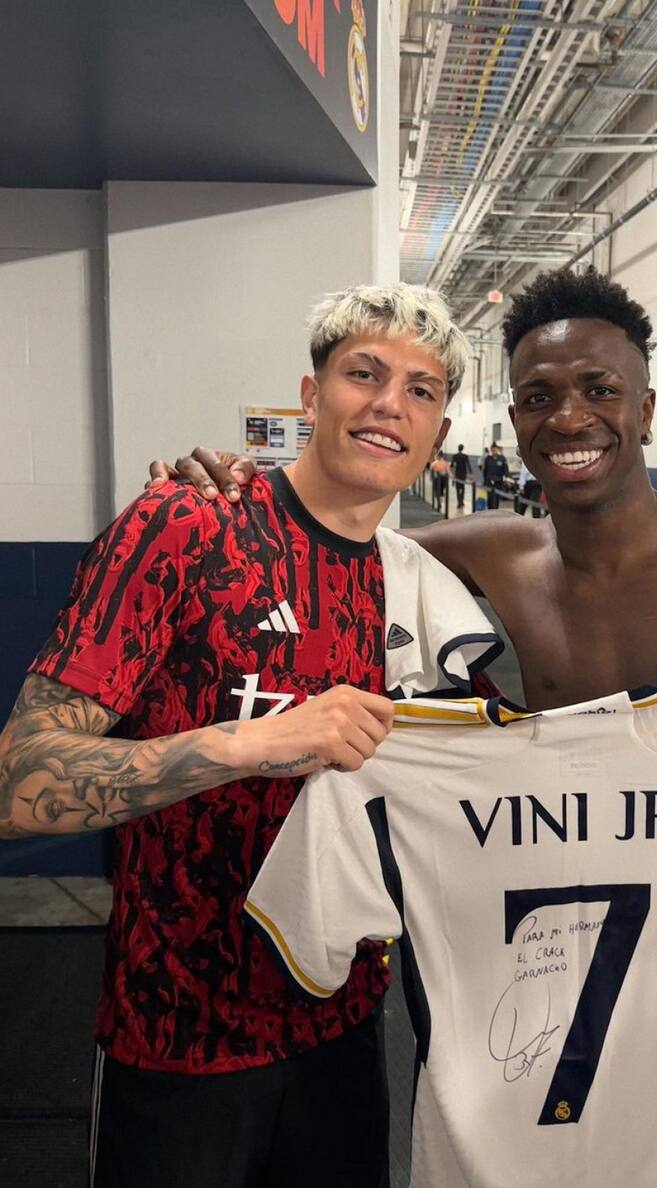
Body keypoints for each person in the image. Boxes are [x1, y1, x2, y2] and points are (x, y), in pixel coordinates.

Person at [150, 267, 657, 1187]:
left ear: (646, 409)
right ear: (515, 421)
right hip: (569, 949)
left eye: (601, 391)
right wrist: (235, 491)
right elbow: (327, 531)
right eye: (540, 397)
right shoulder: (490, 554)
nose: (571, 417)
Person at [0, 283, 482, 1188]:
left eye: (421, 390)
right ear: (309, 396)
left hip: (342, 1029)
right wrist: (246, 743)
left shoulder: (415, 584)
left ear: (439, 436)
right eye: (363, 374)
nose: (389, 403)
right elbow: (16, 781)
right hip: (177, 1036)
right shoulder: (185, 522)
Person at [483, 443, 510, 510]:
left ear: (497, 449)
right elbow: (485, 470)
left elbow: (506, 470)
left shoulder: (502, 459)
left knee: (496, 499)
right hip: (489, 481)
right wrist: (485, 481)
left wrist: (506, 479)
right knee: (490, 498)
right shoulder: (488, 458)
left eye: (495, 450)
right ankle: (489, 511)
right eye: (492, 450)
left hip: (498, 482)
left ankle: (495, 512)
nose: (493, 451)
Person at [450, 443, 471, 509]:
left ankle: (459, 502)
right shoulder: (465, 456)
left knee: (457, 488)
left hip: (457, 474)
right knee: (462, 488)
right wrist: (470, 473)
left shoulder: (455, 456)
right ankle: (462, 501)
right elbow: (468, 465)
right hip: (463, 474)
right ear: (462, 448)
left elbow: (452, 465)